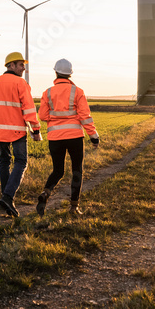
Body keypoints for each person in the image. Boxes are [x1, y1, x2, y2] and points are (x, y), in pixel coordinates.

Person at [36, 58, 99, 216]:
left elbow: (42, 115)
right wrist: (93, 136)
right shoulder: (77, 92)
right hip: (75, 137)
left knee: (58, 170)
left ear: (56, 72)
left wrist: (55, 116)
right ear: (70, 74)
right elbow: (85, 116)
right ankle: (74, 207)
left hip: (55, 137)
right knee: (77, 170)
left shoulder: (47, 92)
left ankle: (45, 193)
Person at [0, 51, 42, 217]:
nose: (24, 68)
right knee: (21, 161)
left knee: (4, 162)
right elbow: (29, 108)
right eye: (20, 64)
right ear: (11, 65)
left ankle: (6, 199)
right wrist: (36, 129)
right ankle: (8, 197)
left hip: (0, 132)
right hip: (17, 132)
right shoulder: (20, 83)